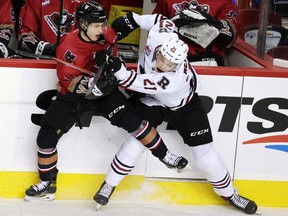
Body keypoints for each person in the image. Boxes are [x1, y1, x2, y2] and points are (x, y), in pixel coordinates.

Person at [93, 12, 258, 215]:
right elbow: (159, 20)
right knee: (135, 143)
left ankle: (230, 194)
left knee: (206, 158)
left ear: (178, 64)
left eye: (169, 65)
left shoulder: (172, 80)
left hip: (184, 105)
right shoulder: (162, 36)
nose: (162, 66)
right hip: (152, 101)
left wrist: (114, 65)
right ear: (161, 48)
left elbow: (128, 80)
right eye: (161, 59)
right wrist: (132, 20)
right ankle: (109, 184)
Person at [24, 1, 188, 202]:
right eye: (96, 25)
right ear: (83, 25)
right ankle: (47, 183)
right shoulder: (67, 46)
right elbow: (69, 82)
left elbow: (121, 36)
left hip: (106, 93)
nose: (102, 29)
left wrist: (128, 25)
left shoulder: (107, 35)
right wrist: (94, 82)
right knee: (45, 139)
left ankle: (165, 155)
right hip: (75, 96)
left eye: (103, 24)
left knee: (136, 123)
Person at [152, 0, 240, 66]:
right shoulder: (166, 1)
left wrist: (207, 24)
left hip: (206, 58)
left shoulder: (225, 2)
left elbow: (229, 39)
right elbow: (154, 29)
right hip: (170, 56)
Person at [17, 0, 108, 57]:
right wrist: (50, 49)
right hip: (44, 63)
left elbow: (100, 36)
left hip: (77, 65)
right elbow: (24, 39)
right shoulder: (35, 1)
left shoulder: (87, 4)